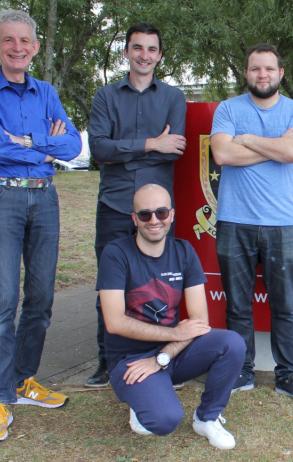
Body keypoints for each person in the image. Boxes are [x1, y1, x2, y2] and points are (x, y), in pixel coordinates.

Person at [0, 8, 82, 442]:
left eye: (25, 41)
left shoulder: (46, 92)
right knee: (3, 300)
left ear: (35, 46)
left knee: (41, 297)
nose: (18, 48)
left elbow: (73, 145)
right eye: (8, 40)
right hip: (0, 196)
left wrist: (31, 142)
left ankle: (22, 380)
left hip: (44, 197)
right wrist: (46, 147)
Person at [98, 184, 246, 449]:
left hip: (171, 352)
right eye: (145, 214)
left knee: (232, 343)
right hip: (130, 360)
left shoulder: (184, 251)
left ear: (172, 215)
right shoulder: (116, 254)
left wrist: (161, 357)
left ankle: (207, 418)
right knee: (165, 420)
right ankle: (141, 397)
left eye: (161, 212)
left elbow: (199, 322)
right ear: (134, 219)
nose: (154, 220)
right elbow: (115, 322)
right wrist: (174, 333)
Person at [209, 43, 293, 403]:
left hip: (283, 223)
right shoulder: (228, 109)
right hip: (233, 221)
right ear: (246, 73)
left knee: (284, 307)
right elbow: (222, 153)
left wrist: (249, 140)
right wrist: (276, 147)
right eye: (255, 68)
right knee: (237, 306)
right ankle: (241, 371)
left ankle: (289, 376)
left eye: (269, 68)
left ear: (280, 73)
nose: (262, 75)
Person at [85, 22, 188, 388]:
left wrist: (124, 150)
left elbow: (174, 150)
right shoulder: (105, 96)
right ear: (127, 52)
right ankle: (107, 361)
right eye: (138, 48)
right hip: (114, 205)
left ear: (160, 55)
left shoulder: (173, 98)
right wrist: (149, 145)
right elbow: (99, 149)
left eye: (151, 49)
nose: (144, 55)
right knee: (110, 288)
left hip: (157, 211)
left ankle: (161, 357)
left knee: (160, 285)